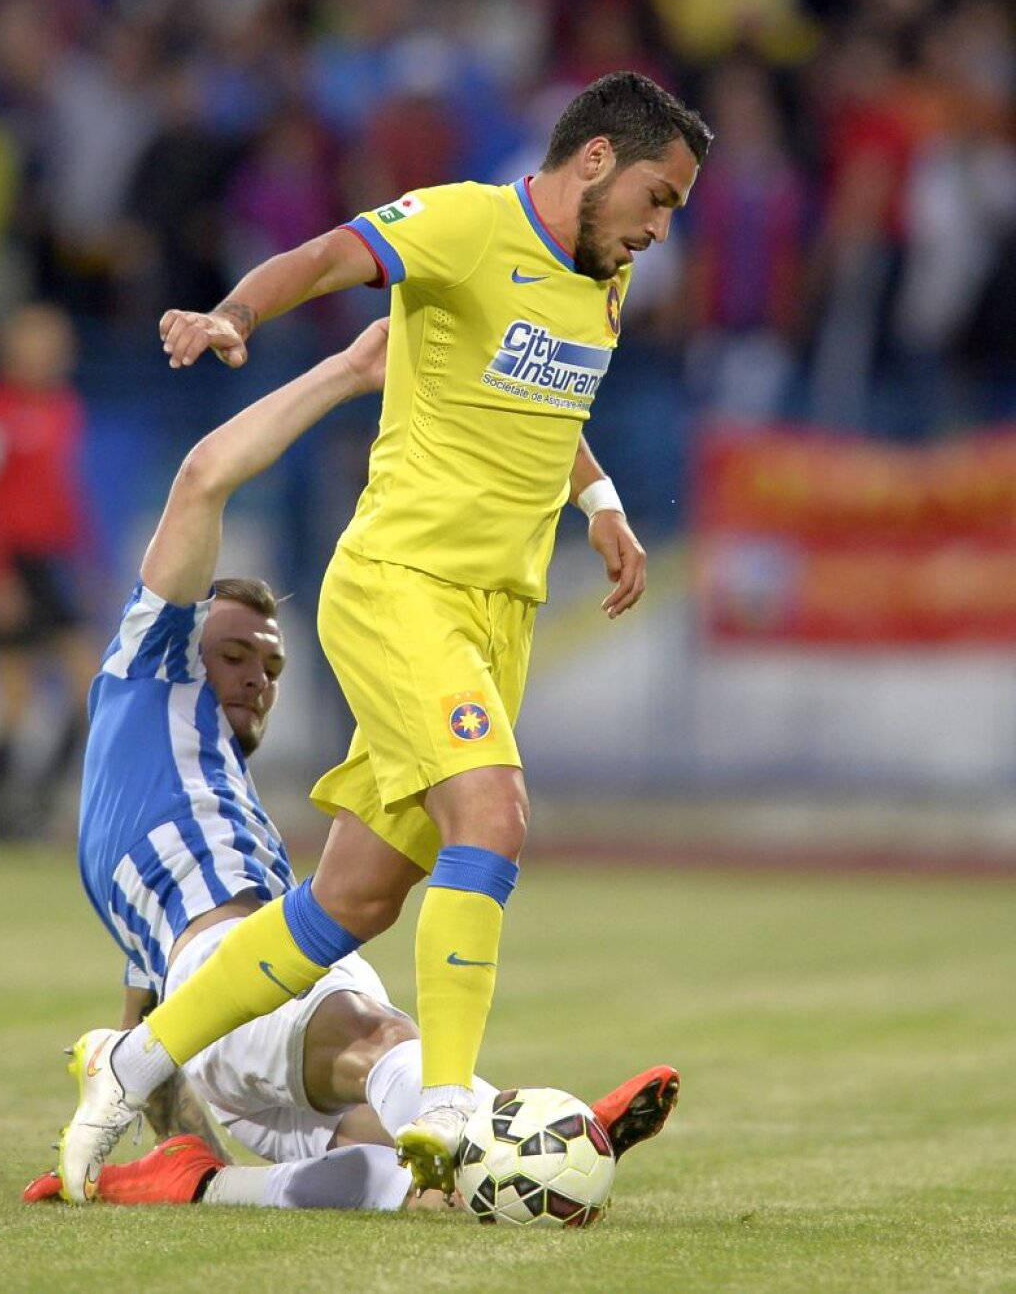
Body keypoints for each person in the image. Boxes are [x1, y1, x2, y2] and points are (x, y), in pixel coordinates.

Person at [58, 69, 710, 1203]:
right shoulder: (463, 223)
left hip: (496, 612)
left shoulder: (602, 286)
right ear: (596, 158)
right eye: (659, 198)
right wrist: (235, 316)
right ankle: (451, 1108)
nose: (660, 229)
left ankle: (135, 1059)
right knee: (493, 813)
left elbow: (546, 410)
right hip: (401, 583)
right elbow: (319, 257)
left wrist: (599, 503)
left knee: (350, 901)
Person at [0, 303, 98, 838]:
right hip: (8, 562)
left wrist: (84, 563)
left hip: (50, 561)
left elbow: (65, 493)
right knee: (14, 692)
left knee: (89, 683)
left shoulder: (63, 408)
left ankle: (37, 798)